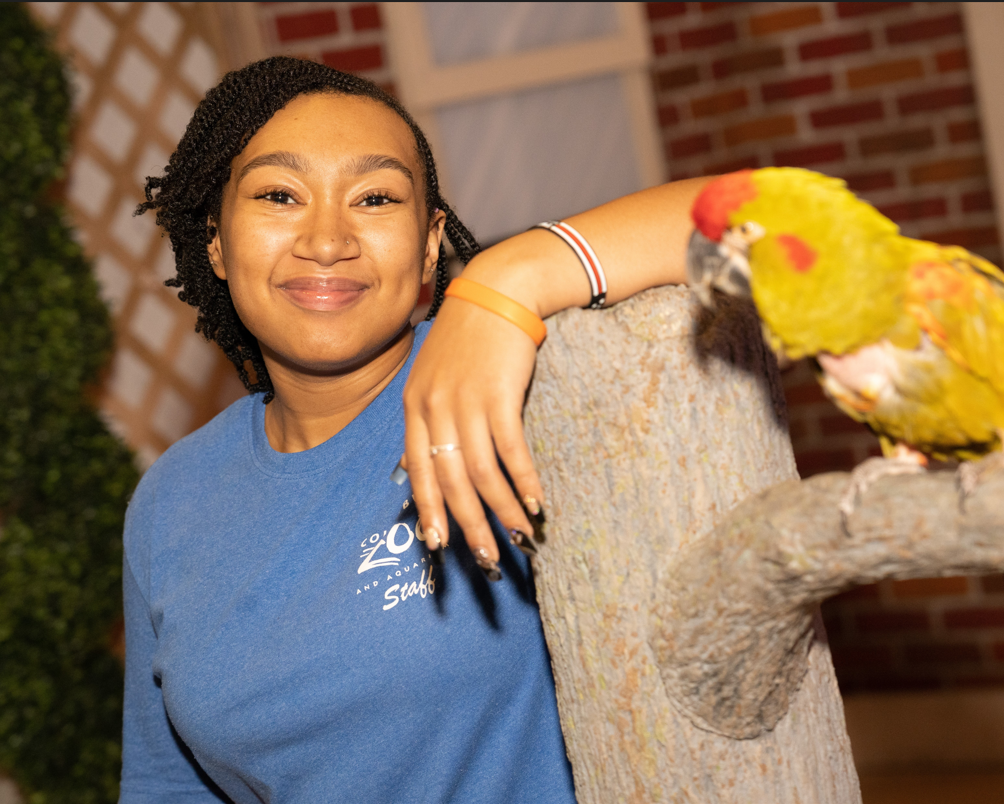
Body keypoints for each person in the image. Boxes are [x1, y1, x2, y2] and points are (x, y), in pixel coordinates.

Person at [121, 56, 700, 802]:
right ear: (217, 242)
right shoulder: (173, 499)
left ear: (429, 245)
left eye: (373, 198)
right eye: (278, 194)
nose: (327, 240)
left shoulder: (510, 378)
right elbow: (167, 785)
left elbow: (765, 216)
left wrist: (503, 281)